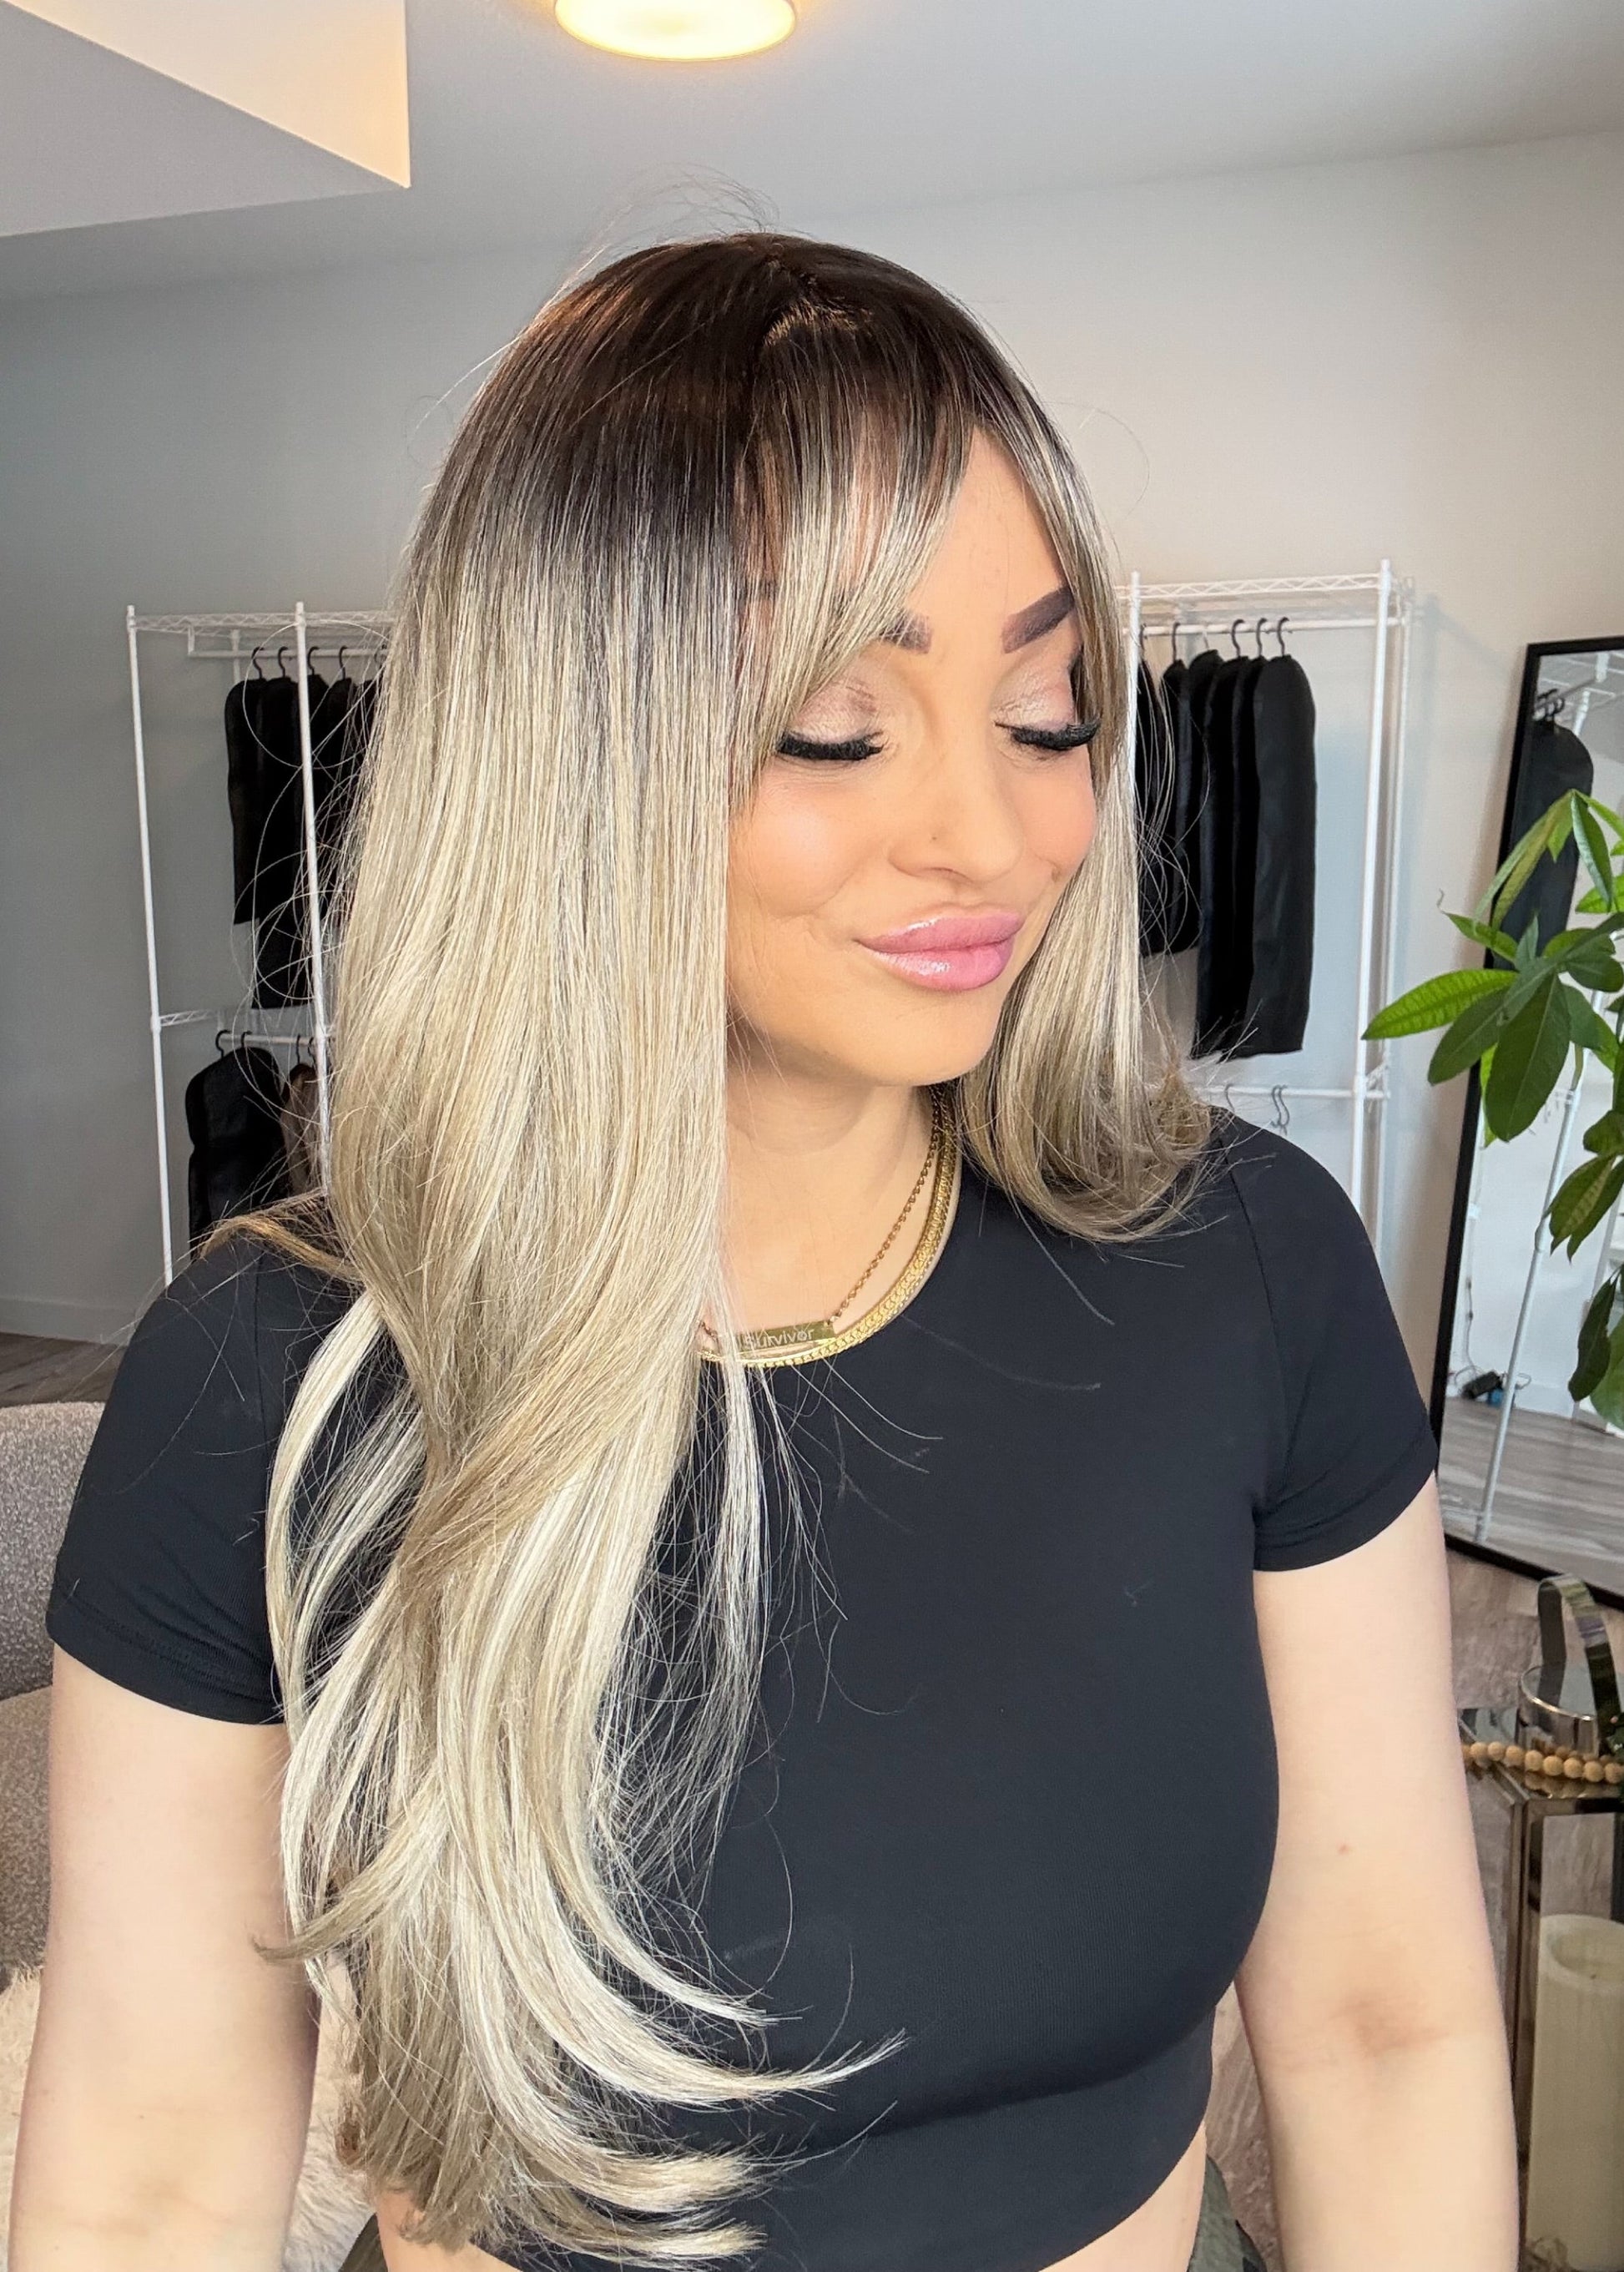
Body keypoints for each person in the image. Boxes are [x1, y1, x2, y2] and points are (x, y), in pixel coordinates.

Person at [13, 234, 1516, 2272]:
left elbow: (1381, 2022)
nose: (997, 837)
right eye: (839, 727)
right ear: (569, 755)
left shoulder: (1244, 1268)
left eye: (1047, 707)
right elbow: (153, 2163)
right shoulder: (268, 1375)